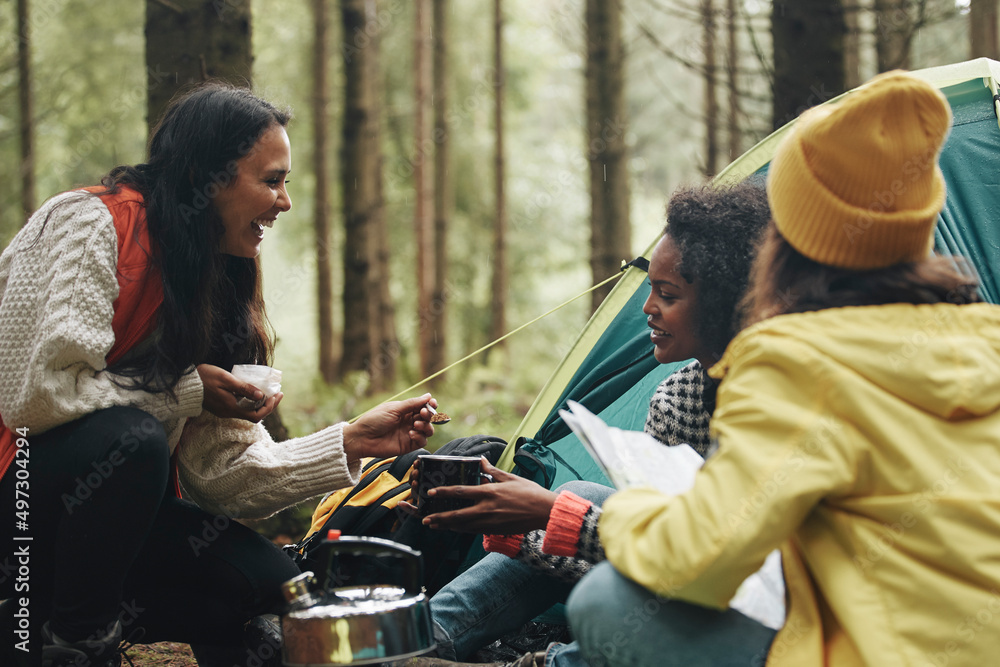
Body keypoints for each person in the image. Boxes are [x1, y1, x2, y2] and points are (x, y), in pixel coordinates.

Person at [565, 71, 1000, 666]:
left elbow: (700, 562)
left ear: (789, 238)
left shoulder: (797, 361)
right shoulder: (989, 338)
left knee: (607, 601)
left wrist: (622, 513)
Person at [0, 82, 437, 667]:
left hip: (112, 526)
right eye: (272, 180)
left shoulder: (220, 277)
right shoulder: (91, 223)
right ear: (208, 177)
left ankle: (40, 627)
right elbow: (36, 398)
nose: (285, 202)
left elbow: (222, 476)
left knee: (275, 587)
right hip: (20, 497)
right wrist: (187, 391)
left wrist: (351, 440)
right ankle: (77, 644)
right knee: (129, 440)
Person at [401, 181, 773, 667]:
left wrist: (553, 517)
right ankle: (422, 639)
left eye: (668, 294)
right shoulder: (680, 398)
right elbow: (647, 555)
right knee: (589, 496)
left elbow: (712, 568)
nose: (647, 309)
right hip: (689, 574)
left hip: (765, 611)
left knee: (583, 521)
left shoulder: (776, 401)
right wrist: (528, 520)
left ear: (725, 301)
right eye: (649, 290)